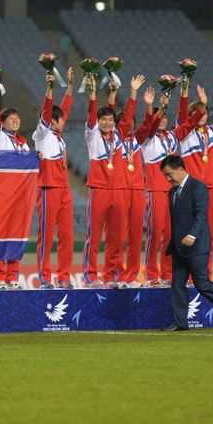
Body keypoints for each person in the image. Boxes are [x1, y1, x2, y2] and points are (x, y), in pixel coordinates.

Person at [160, 154, 213, 331]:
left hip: (196, 246)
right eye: (165, 176)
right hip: (179, 248)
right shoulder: (172, 192)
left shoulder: (198, 187)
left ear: (180, 169)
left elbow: (201, 214)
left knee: (201, 284)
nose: (168, 178)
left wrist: (192, 235)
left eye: (169, 174)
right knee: (177, 286)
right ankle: (180, 323)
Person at [81, 74, 141, 288]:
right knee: (94, 235)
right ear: (97, 123)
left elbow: (128, 116)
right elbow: (91, 112)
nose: (106, 123)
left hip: (119, 190)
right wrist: (94, 93)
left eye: (109, 119)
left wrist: (133, 92)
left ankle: (112, 275)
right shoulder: (92, 136)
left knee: (116, 237)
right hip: (98, 189)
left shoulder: (118, 135)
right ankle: (90, 275)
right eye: (103, 120)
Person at [141, 91, 205, 287]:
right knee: (155, 233)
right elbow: (150, 126)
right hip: (155, 190)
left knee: (171, 234)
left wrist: (202, 105)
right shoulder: (148, 138)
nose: (161, 121)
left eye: (164, 118)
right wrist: (159, 108)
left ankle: (167, 274)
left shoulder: (171, 136)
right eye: (158, 118)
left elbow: (188, 125)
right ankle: (152, 274)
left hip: (174, 192)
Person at [177, 75, 213, 275]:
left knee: (209, 234)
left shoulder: (212, 132)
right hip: (191, 190)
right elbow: (182, 113)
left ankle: (204, 273)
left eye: (204, 111)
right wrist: (187, 90)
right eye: (198, 111)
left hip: (211, 189)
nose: (202, 114)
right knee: (188, 232)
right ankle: (187, 273)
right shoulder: (184, 133)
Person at [33, 67, 75, 290]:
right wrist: (50, 87)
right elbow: (49, 110)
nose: (64, 122)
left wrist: (69, 88)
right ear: (53, 121)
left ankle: (64, 276)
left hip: (64, 189)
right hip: (48, 188)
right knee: (47, 236)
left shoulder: (59, 138)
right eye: (61, 120)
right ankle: (44, 278)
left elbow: (63, 109)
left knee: (66, 236)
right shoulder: (41, 134)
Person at [118, 86, 161, 288]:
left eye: (132, 124)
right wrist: (133, 94)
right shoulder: (114, 141)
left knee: (136, 235)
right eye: (127, 123)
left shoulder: (136, 140)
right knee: (118, 235)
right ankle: (117, 274)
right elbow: (126, 119)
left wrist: (149, 105)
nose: (130, 126)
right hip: (119, 191)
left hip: (137, 191)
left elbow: (148, 123)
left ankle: (132, 275)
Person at [0, 82, 29, 290]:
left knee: (17, 235)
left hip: (20, 196)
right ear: (2, 123)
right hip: (1, 194)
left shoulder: (24, 144)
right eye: (11, 118)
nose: (16, 120)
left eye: (18, 118)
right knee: (0, 235)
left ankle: (13, 276)